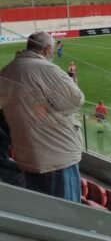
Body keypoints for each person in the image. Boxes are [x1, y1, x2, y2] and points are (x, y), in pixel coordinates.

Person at [0, 31, 85, 202]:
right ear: (46, 50)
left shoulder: (7, 70)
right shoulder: (46, 69)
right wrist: (47, 109)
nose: (53, 53)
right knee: (64, 210)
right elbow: (76, 100)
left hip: (27, 154)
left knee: (42, 205)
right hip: (57, 155)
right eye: (52, 49)